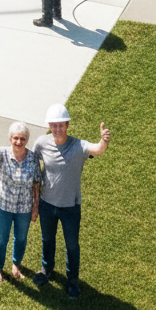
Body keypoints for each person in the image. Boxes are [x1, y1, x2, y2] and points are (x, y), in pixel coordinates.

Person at [31, 102, 111, 299]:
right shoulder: (41, 143)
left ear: (67, 125)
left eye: (61, 125)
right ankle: (46, 269)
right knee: (47, 239)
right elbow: (32, 166)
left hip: (70, 207)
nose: (57, 129)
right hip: (47, 204)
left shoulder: (78, 146)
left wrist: (104, 141)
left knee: (72, 245)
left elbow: (98, 149)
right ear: (49, 125)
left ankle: (72, 280)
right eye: (54, 125)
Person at [0, 122, 41, 284]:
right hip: (3, 205)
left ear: (27, 140)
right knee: (1, 238)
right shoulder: (2, 153)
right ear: (10, 138)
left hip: (24, 208)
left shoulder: (33, 158)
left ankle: (16, 264)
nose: (18, 142)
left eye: (22, 139)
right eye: (15, 138)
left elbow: (36, 183)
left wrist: (35, 207)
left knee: (21, 238)